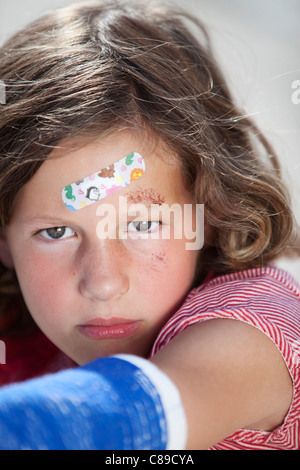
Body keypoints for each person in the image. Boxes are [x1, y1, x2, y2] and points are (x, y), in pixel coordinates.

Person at [0, 0, 299, 450]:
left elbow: (127, 414)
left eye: (142, 226)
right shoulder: (22, 326)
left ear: (210, 215)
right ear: (3, 240)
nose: (102, 283)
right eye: (56, 232)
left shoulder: (254, 333)